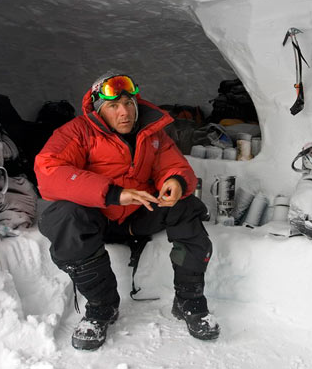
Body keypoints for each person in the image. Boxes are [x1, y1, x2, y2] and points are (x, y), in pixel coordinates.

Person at [34, 73, 220, 350]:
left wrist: (175, 181)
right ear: (99, 110)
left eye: (129, 103)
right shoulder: (77, 132)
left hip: (139, 214)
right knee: (64, 216)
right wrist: (113, 194)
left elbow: (174, 165)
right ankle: (101, 306)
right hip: (97, 218)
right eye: (114, 106)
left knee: (185, 206)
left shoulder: (152, 132)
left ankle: (189, 300)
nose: (125, 112)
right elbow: (49, 171)